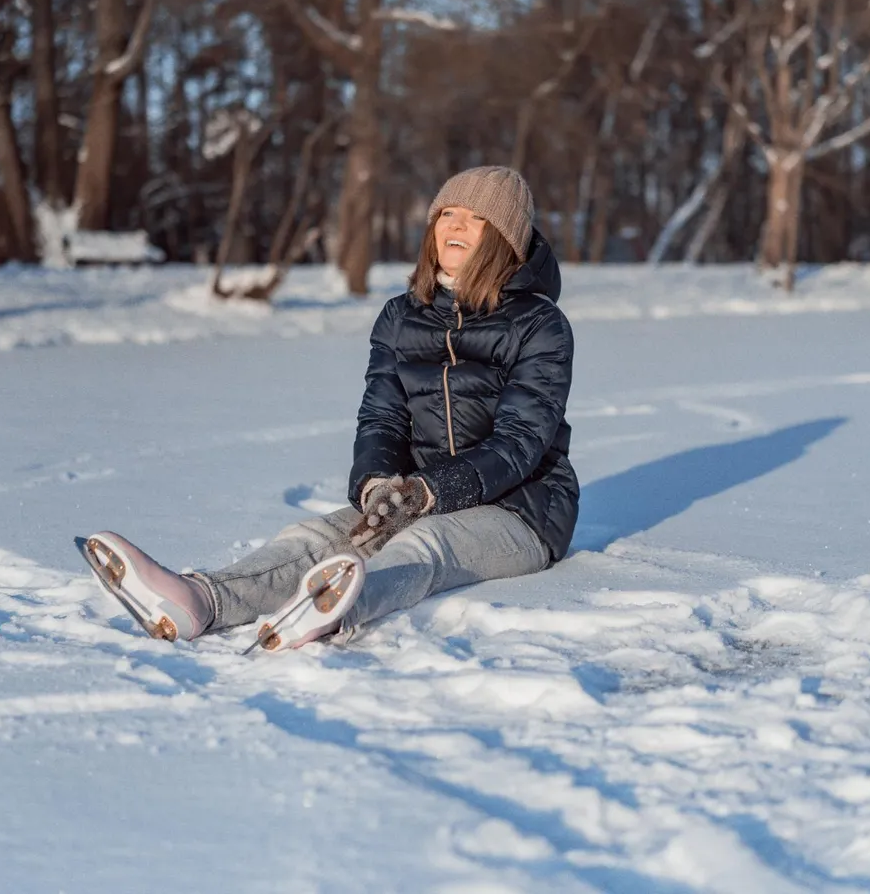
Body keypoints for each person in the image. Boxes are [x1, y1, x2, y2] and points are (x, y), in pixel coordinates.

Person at [78, 166, 579, 651]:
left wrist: (427, 493)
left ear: (505, 240)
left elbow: (519, 444)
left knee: (426, 546)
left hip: (523, 510)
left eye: (477, 217)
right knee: (319, 537)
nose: (455, 224)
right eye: (446, 212)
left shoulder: (540, 325)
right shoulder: (400, 317)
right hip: (417, 493)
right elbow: (381, 418)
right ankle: (200, 600)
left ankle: (331, 610)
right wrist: (380, 484)